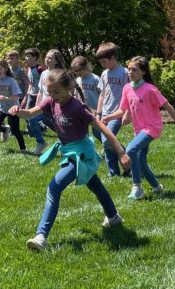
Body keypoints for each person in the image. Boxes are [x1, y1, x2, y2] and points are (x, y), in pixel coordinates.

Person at [10, 70, 131, 251]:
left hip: (82, 154)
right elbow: (29, 114)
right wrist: (18, 111)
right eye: (49, 92)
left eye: (56, 92)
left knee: (54, 187)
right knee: (95, 184)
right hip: (69, 151)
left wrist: (121, 152)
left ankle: (41, 236)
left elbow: (104, 129)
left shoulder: (77, 108)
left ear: (70, 88)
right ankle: (113, 217)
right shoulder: (51, 101)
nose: (52, 96)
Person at [107, 55, 175, 200]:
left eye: (134, 70)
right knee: (141, 161)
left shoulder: (150, 90)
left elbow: (168, 107)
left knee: (131, 150)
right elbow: (122, 109)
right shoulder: (127, 88)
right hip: (139, 130)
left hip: (152, 128)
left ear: (143, 72)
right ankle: (157, 187)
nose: (130, 72)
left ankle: (137, 187)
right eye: (129, 70)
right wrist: (109, 117)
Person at [96, 41, 130, 177]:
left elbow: (129, 94)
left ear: (113, 58)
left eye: (104, 61)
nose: (102, 65)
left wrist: (127, 112)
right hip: (105, 112)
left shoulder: (124, 72)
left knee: (107, 140)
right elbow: (102, 95)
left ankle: (129, 160)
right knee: (107, 143)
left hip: (118, 113)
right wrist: (98, 113)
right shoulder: (104, 74)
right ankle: (114, 173)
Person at [0, 58, 27, 152]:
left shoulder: (11, 81)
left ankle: (23, 148)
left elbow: (17, 96)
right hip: (1, 107)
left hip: (13, 107)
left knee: (15, 131)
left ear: (5, 69)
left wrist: (6, 99)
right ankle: (5, 130)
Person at [22, 48, 47, 155]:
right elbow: (31, 84)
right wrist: (26, 96)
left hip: (40, 96)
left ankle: (39, 131)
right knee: (27, 116)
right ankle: (37, 130)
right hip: (32, 95)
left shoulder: (40, 69)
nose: (26, 58)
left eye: (29, 56)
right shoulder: (28, 69)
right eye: (26, 56)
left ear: (35, 58)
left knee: (36, 118)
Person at [71, 55, 102, 141]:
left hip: (95, 110)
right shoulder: (77, 80)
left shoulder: (95, 79)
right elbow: (76, 95)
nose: (78, 72)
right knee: (83, 133)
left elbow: (102, 94)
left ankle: (110, 146)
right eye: (75, 71)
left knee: (97, 132)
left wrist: (99, 110)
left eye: (79, 70)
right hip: (82, 110)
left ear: (86, 67)